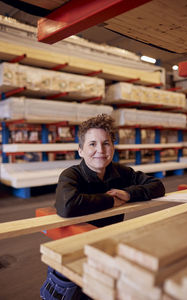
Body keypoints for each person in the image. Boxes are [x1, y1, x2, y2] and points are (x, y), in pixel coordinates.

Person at [40, 114, 165, 300]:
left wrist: (129, 194)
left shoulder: (121, 172)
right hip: (73, 253)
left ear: (113, 148)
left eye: (106, 143)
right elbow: (67, 206)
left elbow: (157, 186)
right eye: (92, 144)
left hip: (106, 250)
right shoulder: (71, 175)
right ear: (80, 150)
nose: (100, 150)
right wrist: (110, 200)